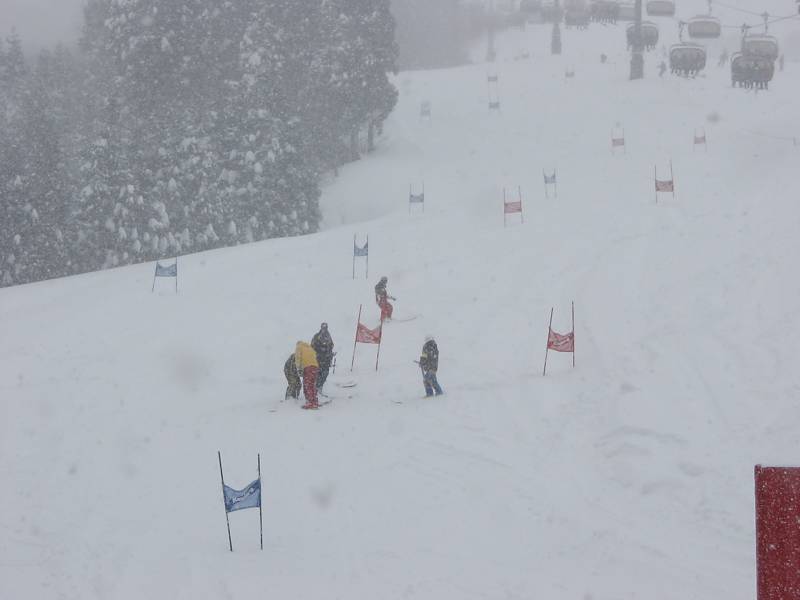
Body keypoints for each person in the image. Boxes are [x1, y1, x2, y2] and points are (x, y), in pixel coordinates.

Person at [295, 340, 320, 410]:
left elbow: (298, 357)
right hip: (315, 367)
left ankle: (311, 403)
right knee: (312, 385)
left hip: (308, 367)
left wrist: (298, 368)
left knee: (308, 385)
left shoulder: (299, 346)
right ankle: (315, 401)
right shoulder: (310, 348)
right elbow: (315, 356)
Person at [311, 323, 334, 391]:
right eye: (323, 327)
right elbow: (312, 346)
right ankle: (316, 388)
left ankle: (320, 387)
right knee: (318, 374)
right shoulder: (316, 336)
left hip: (326, 359)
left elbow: (331, 345)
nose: (324, 329)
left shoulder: (328, 336)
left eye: (325, 328)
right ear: (321, 328)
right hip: (318, 358)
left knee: (325, 374)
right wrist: (319, 349)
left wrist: (329, 353)